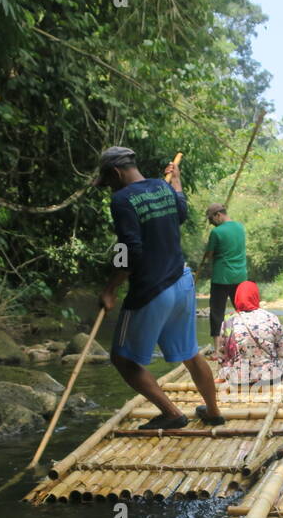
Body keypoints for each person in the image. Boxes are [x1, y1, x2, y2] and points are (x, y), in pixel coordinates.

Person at [94, 146, 225, 429]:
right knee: (190, 353)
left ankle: (171, 413)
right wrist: (176, 181)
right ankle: (213, 412)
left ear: (116, 173)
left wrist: (110, 289)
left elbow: (129, 249)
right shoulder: (161, 188)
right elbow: (181, 212)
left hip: (152, 289)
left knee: (122, 358)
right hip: (182, 280)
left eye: (108, 181)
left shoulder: (121, 200)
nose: (109, 189)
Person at [216, 281, 283, 389]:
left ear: (237, 298)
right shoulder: (272, 317)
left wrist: (222, 374)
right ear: (256, 296)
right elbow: (281, 351)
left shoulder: (228, 320)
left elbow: (222, 355)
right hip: (271, 377)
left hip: (239, 379)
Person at [199, 203, 247, 342]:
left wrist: (207, 253)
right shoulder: (240, 227)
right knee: (242, 312)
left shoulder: (216, 232)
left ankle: (217, 349)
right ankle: (244, 342)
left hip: (221, 277)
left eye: (211, 220)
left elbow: (209, 255)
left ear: (218, 215)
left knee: (216, 313)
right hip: (240, 277)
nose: (212, 223)